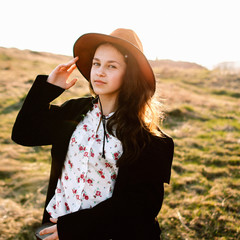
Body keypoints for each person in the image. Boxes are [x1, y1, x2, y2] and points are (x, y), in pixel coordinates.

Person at [12, 28, 174, 240]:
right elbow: (24, 133)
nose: (99, 72)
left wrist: (73, 229)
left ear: (130, 73)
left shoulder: (149, 139)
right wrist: (49, 88)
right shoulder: (74, 112)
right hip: (55, 228)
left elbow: (140, 208)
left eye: (111, 66)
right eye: (96, 63)